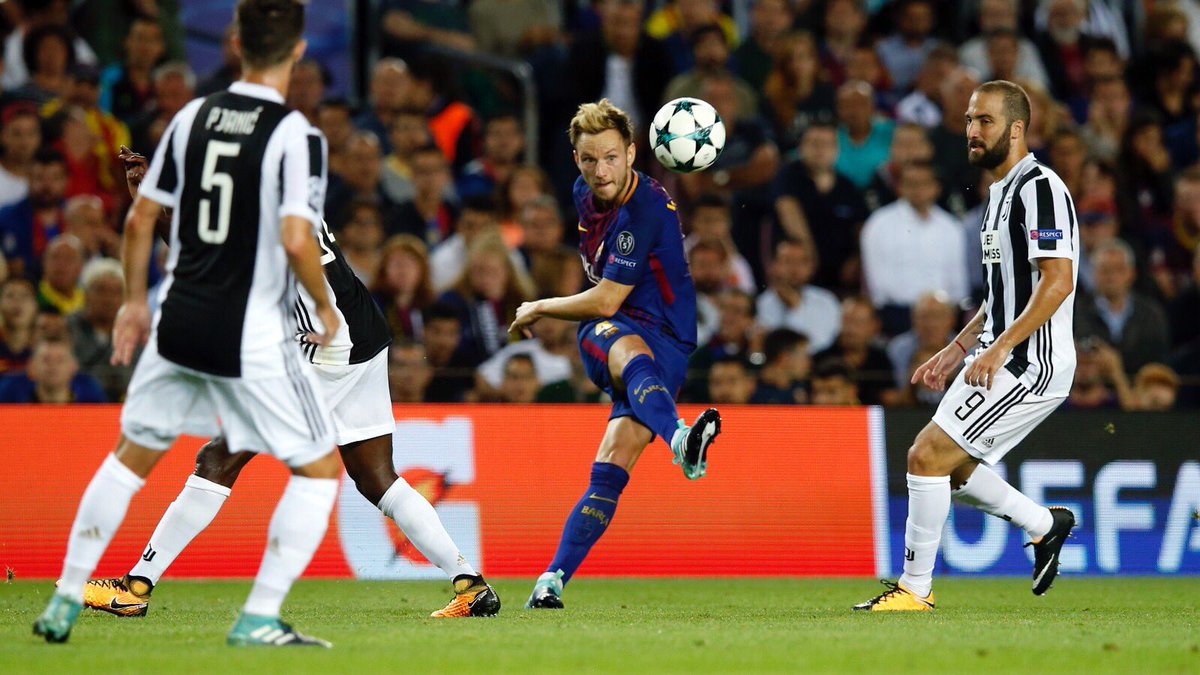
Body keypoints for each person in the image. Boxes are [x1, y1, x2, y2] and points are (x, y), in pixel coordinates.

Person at [32, 0, 459, 648]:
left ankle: (129, 588)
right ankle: (467, 580)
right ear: (297, 51)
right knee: (370, 474)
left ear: (233, 43)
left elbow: (246, 236)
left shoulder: (196, 120)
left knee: (215, 455)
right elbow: (266, 234)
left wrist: (147, 258)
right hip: (346, 325)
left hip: (317, 329)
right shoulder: (292, 136)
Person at [855, 81, 1080, 612]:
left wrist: (1000, 347)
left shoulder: (1041, 189)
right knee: (951, 466)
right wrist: (958, 346)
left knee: (926, 455)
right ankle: (1044, 525)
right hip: (1000, 353)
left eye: (985, 121)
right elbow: (1001, 293)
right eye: (969, 121)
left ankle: (915, 588)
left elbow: (1058, 281)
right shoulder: (997, 195)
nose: (972, 131)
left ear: (1017, 129)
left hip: (1032, 361)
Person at [508, 99, 720, 609]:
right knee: (623, 347)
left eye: (609, 158)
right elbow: (606, 309)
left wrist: (539, 305)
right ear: (576, 159)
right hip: (616, 333)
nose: (599, 171)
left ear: (631, 154)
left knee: (611, 467)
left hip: (667, 341)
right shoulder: (583, 192)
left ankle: (551, 579)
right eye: (588, 159)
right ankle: (681, 439)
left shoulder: (644, 210)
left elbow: (604, 297)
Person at [0, 335, 106, 403]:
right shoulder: (9, 401)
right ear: (31, 367)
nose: (53, 365)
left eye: (60, 360)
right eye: (46, 360)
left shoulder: (92, 403)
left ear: (74, 367)